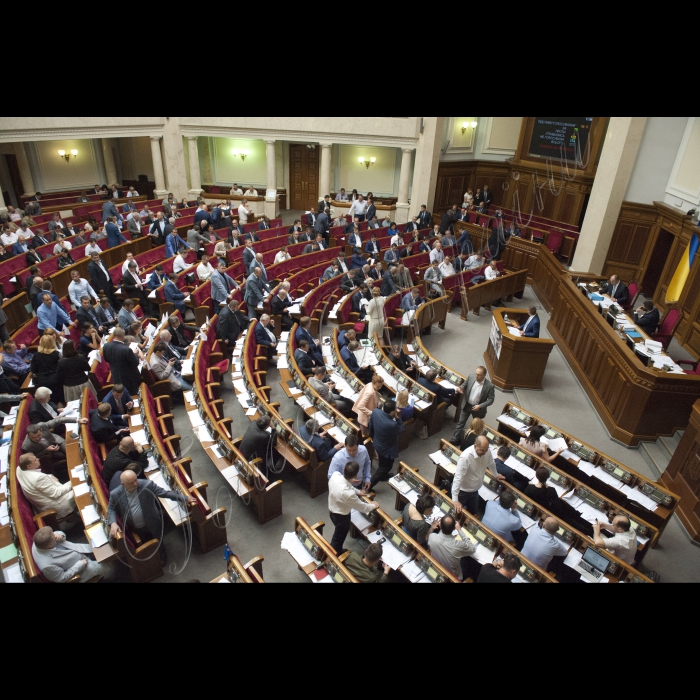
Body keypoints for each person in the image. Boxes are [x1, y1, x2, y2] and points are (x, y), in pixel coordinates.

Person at [109, 470, 195, 566]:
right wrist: (113, 523)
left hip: (152, 521)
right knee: (146, 541)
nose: (136, 483)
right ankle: (152, 558)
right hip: (135, 526)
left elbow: (164, 493)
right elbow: (111, 508)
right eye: (131, 482)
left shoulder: (147, 485)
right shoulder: (115, 494)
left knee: (158, 540)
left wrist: (183, 498)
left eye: (135, 480)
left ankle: (163, 557)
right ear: (123, 484)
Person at [328, 461, 379, 554]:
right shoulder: (348, 494)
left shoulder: (335, 475)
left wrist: (358, 492)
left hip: (331, 509)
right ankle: (336, 553)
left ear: (344, 469)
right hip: (342, 517)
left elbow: (347, 485)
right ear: (355, 476)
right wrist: (373, 505)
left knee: (338, 532)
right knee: (339, 537)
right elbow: (362, 507)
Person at [32, 526, 111, 584]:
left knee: (100, 548)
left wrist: (60, 535)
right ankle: (99, 579)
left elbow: (58, 533)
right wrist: (80, 565)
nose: (55, 535)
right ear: (49, 545)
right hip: (79, 568)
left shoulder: (39, 541)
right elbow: (62, 578)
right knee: (106, 567)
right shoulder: (47, 567)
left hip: (77, 550)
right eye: (54, 536)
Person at [17, 453, 76, 520]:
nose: (38, 459)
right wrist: (72, 482)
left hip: (46, 498)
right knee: (79, 487)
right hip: (57, 504)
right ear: (29, 466)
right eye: (35, 460)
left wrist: (49, 476)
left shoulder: (19, 469)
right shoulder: (38, 478)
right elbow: (56, 493)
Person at [452, 437, 497, 516]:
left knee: (473, 513)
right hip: (462, 492)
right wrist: (455, 499)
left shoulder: (487, 451)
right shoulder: (465, 457)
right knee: (457, 514)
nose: (485, 452)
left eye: (486, 450)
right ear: (475, 446)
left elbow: (491, 463)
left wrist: (496, 475)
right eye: (482, 450)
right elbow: (458, 478)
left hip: (475, 490)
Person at [451, 367, 495, 445]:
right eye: (476, 374)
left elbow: (491, 400)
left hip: (478, 409)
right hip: (467, 405)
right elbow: (464, 385)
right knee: (460, 423)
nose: (476, 376)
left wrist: (480, 406)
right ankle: (454, 439)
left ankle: (474, 443)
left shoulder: (490, 386)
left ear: (484, 375)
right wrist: (460, 388)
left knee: (477, 428)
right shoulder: (471, 377)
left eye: (479, 375)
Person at [429, 515, 479, 582]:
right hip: (453, 577)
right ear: (454, 528)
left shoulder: (432, 537)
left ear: (440, 525)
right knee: (474, 564)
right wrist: (460, 530)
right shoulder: (458, 545)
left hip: (437, 568)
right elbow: (472, 549)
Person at [369, 400, 405, 490]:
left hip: (378, 443)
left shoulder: (376, 412)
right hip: (387, 448)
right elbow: (401, 429)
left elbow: (371, 425)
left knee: (382, 462)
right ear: (392, 412)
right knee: (385, 467)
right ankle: (369, 485)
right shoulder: (392, 424)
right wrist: (397, 418)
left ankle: (384, 476)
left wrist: (372, 436)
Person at [104, 329, 140, 395]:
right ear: (122, 335)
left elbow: (106, 359)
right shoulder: (126, 350)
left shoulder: (106, 346)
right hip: (129, 378)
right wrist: (135, 354)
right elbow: (135, 363)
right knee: (132, 394)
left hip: (116, 375)